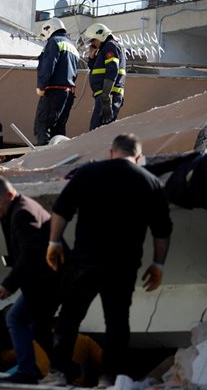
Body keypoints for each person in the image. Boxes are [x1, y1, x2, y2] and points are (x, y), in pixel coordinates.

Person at [42, 133, 173, 387]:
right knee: (117, 324)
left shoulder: (88, 173)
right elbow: (162, 231)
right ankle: (108, 379)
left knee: (69, 318)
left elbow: (61, 209)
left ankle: (57, 374)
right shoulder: (150, 182)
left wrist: (54, 243)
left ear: (111, 152)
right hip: (122, 267)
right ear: (138, 157)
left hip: (84, 262)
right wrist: (158, 265)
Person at [0, 176, 60, 384]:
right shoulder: (13, 210)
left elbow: (30, 254)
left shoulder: (22, 213)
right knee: (35, 327)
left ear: (9, 195)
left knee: (19, 320)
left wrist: (9, 284)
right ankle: (58, 367)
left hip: (48, 280)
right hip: (41, 280)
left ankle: (34, 370)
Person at [33, 18, 80, 146]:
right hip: (68, 93)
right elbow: (75, 72)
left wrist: (41, 86)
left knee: (43, 127)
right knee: (58, 130)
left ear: (49, 29)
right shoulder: (73, 47)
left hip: (53, 91)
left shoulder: (54, 42)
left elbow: (48, 65)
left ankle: (43, 159)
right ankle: (57, 158)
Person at [86, 23, 127, 131]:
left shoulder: (110, 46)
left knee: (97, 131)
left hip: (109, 95)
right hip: (106, 95)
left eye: (93, 40)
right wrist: (91, 57)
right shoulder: (105, 48)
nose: (92, 43)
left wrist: (105, 98)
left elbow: (112, 70)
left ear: (100, 36)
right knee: (99, 130)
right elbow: (96, 70)